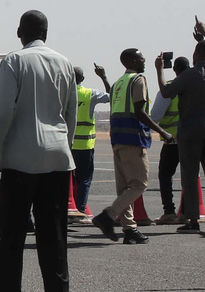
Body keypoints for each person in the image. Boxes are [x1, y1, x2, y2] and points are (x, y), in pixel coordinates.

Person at [0, 10, 77, 292]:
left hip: (21, 160)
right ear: (45, 32)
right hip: (58, 159)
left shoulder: (14, 62)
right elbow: (70, 114)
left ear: (20, 32)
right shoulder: (64, 63)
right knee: (54, 236)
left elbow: (3, 113)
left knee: (12, 235)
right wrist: (64, 148)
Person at [92, 50, 174, 244]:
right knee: (139, 184)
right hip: (133, 139)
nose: (143, 61)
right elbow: (140, 111)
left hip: (117, 139)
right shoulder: (138, 80)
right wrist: (163, 132)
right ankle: (108, 216)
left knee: (124, 187)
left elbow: (113, 98)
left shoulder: (120, 82)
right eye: (140, 58)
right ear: (131, 61)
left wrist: (104, 77)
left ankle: (129, 229)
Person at [157, 18, 205, 235]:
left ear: (196, 55)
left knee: (190, 174)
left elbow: (166, 92)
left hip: (190, 131)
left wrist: (159, 70)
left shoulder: (188, 75)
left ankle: (193, 220)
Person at [149, 56, 190, 224]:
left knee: (165, 175)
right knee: (189, 176)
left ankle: (169, 211)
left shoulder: (169, 88)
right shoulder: (197, 85)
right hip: (193, 139)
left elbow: (156, 116)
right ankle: (187, 213)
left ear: (174, 70)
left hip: (173, 140)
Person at [70, 65, 111, 224]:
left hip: (68, 145)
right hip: (85, 145)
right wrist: (103, 77)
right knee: (84, 179)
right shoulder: (89, 94)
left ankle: (70, 208)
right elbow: (110, 96)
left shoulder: (62, 93)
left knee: (69, 180)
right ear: (82, 79)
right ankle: (80, 210)